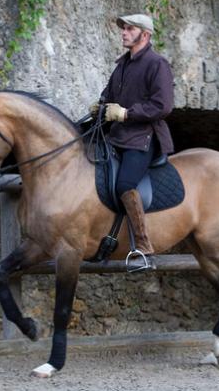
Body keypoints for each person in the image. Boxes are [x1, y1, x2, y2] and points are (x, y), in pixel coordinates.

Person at [94, 14, 175, 257]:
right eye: (124, 29)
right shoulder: (122, 65)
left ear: (145, 34)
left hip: (143, 138)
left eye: (130, 29)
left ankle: (143, 244)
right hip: (117, 136)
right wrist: (99, 107)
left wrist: (126, 114)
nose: (124, 32)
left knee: (125, 184)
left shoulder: (156, 64)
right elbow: (108, 95)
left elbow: (163, 106)